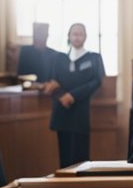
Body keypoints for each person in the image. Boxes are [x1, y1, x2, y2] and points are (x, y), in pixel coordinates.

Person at [42, 22, 104, 169]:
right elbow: (51, 82)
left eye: (80, 34)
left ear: (85, 37)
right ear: (69, 36)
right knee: (64, 156)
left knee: (80, 157)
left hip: (80, 111)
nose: (77, 37)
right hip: (62, 111)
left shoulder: (94, 58)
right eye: (74, 34)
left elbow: (96, 82)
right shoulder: (58, 58)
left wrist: (73, 96)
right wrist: (62, 96)